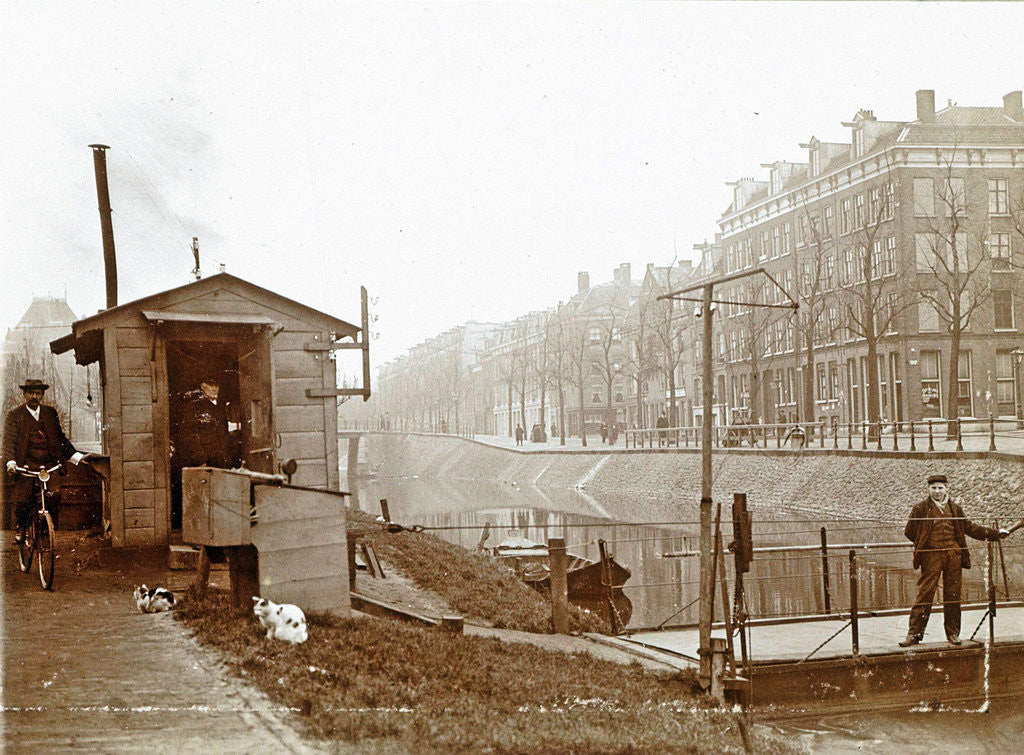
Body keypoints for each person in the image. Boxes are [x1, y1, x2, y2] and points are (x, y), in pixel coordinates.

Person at [899, 474, 1008, 647]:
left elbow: (970, 528)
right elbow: (909, 531)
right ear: (928, 489)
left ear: (946, 488)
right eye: (934, 488)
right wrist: (925, 544)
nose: (937, 491)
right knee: (925, 593)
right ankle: (914, 634)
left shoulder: (955, 509)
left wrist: (995, 534)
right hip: (931, 555)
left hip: (953, 555)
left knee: (953, 594)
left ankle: (953, 633)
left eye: (940, 488)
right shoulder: (920, 508)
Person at [3, 378, 88, 543]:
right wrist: (11, 462)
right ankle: (21, 527)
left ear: (42, 394)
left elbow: (60, 439)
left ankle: (47, 530)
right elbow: (9, 441)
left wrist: (76, 456)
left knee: (54, 495)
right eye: (31, 393)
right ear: (24, 394)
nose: (34, 396)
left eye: (38, 393)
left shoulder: (50, 413)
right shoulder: (15, 415)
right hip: (26, 465)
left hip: (48, 465)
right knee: (23, 498)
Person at [177, 375, 234, 469]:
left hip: (221, 459)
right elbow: (189, 434)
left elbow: (224, 433)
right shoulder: (194, 407)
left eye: (216, 385)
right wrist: (200, 459)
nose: (214, 388)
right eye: (210, 384)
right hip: (204, 461)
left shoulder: (220, 406)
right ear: (202, 386)